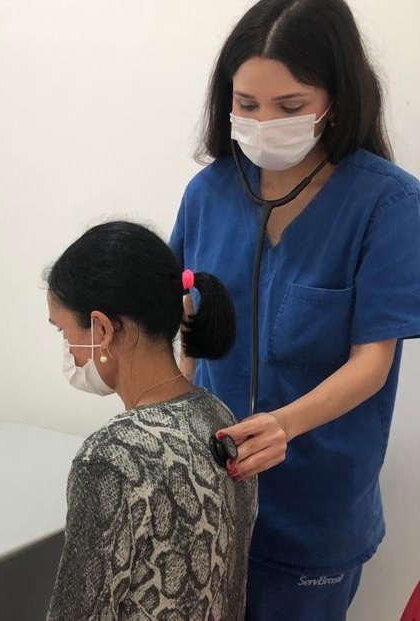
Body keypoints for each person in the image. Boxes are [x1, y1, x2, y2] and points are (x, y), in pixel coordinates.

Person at [170, 0, 420, 619]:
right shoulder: (208, 193)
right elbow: (184, 325)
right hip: (209, 495)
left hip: (315, 511)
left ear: (335, 97)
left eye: (288, 107)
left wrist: (283, 424)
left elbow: (372, 365)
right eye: (246, 104)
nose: (263, 123)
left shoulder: (387, 204)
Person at [44, 221, 257, 621]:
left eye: (64, 332)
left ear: (102, 328)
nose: (69, 351)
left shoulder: (110, 457)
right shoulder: (218, 418)